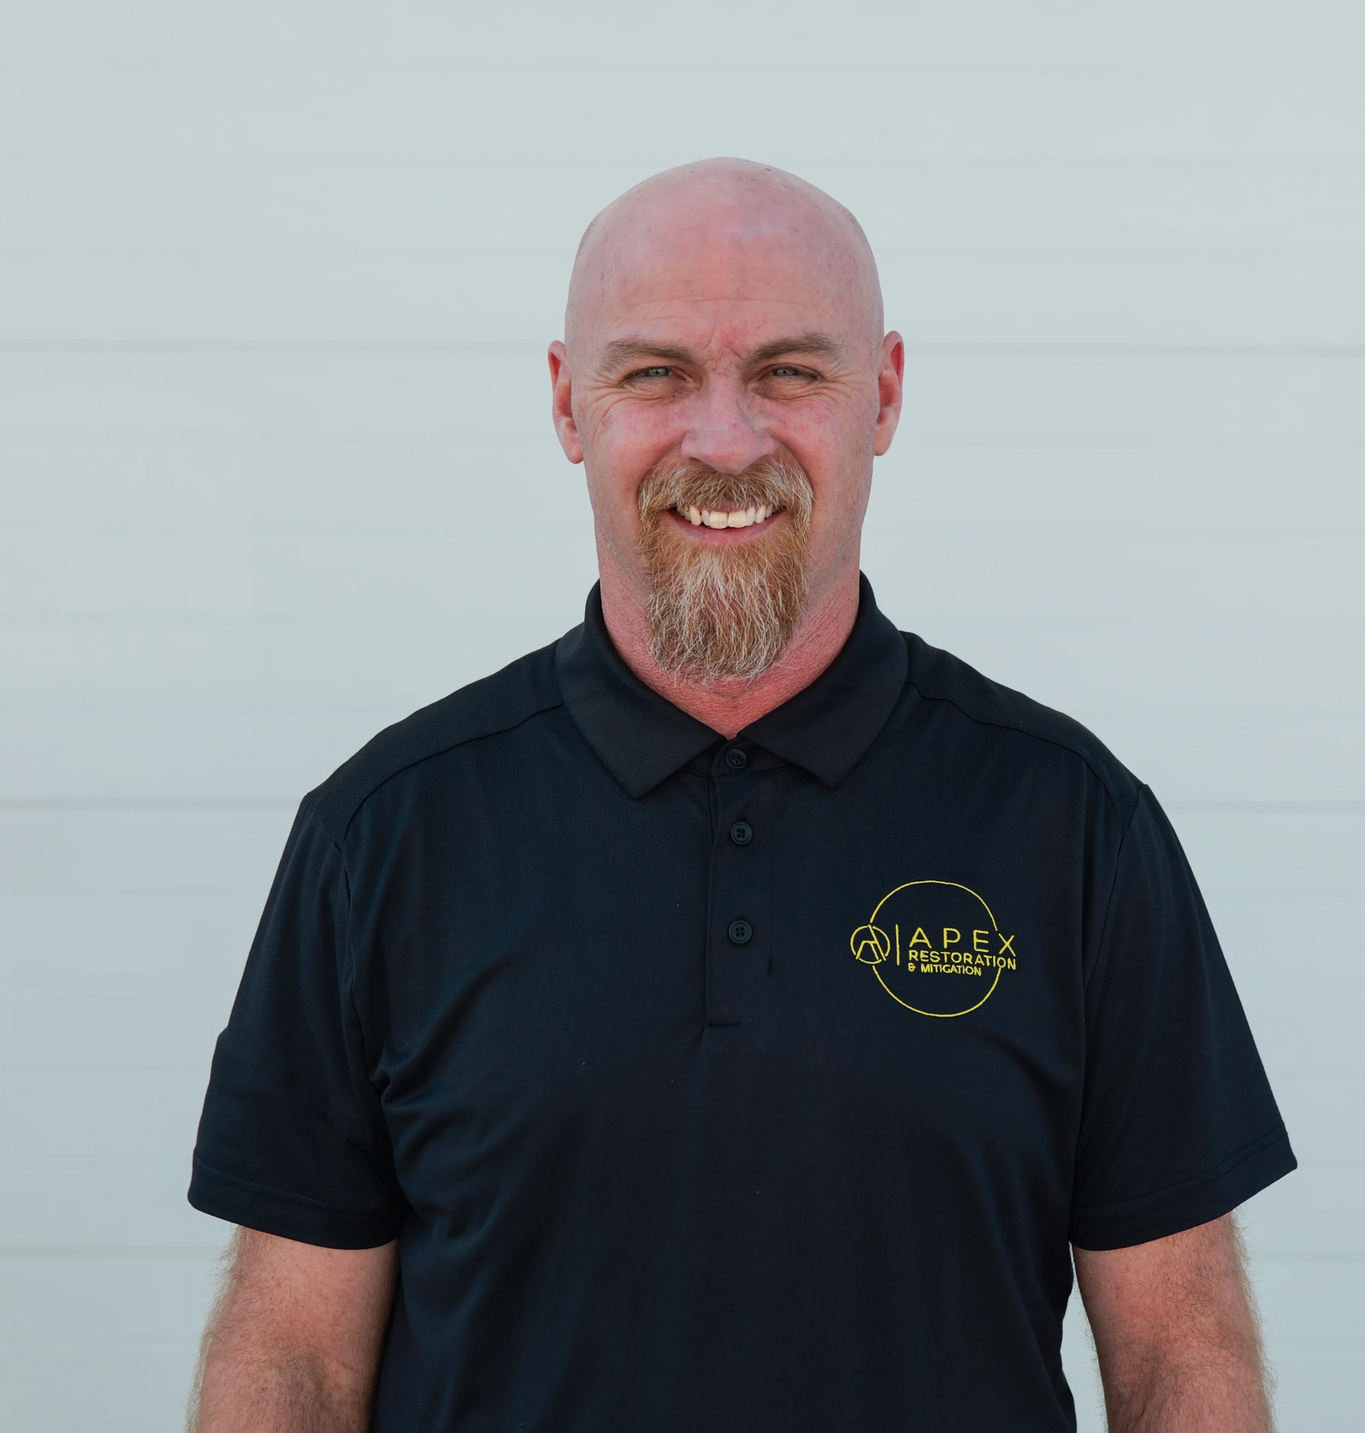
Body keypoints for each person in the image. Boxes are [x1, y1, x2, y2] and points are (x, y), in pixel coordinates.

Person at [186, 157, 1295, 1433]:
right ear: (568, 403)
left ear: (881, 394)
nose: (726, 440)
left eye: (789, 371)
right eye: (655, 372)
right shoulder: (384, 835)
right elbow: (297, 1367)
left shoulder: (1076, 829)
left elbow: (1179, 1356)